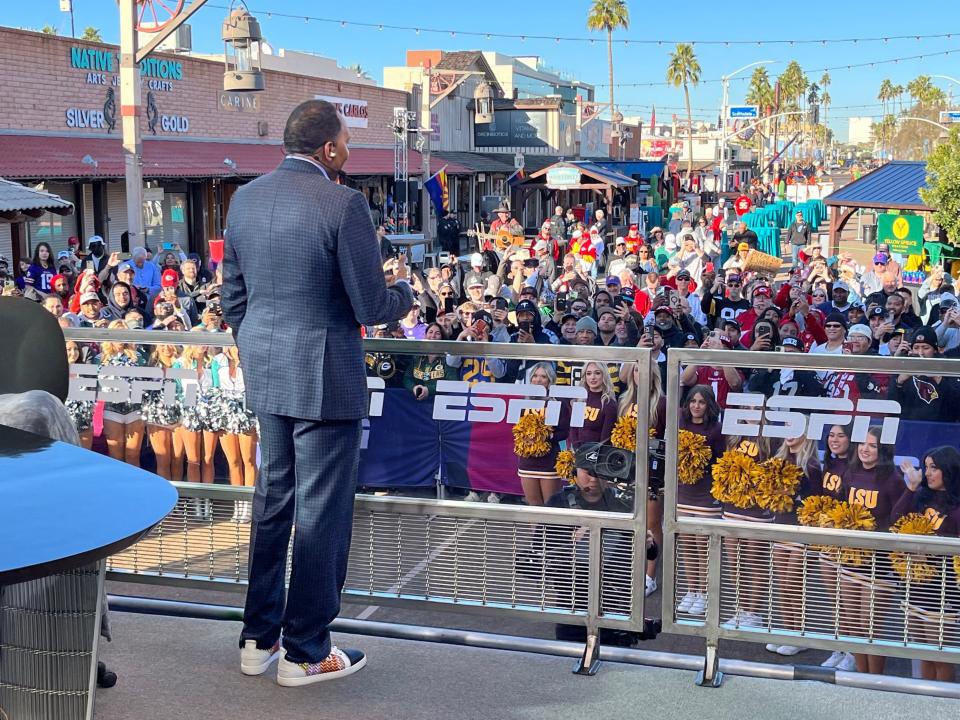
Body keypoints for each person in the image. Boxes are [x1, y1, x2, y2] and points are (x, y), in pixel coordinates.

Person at [222, 99, 414, 685]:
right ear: (329, 149)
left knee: (272, 502)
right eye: (347, 143)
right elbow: (370, 305)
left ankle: (258, 639)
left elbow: (234, 298)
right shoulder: (343, 203)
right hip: (325, 376)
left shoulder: (244, 197)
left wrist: (260, 346)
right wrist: (406, 293)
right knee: (320, 514)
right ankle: (306, 651)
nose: (350, 153)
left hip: (267, 372)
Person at [893, 446, 960, 683]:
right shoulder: (921, 496)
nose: (928, 473)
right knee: (921, 653)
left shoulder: (957, 507)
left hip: (942, 592)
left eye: (934, 467)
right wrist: (910, 488)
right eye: (926, 466)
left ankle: (941, 706)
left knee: (939, 656)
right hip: (914, 587)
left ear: (949, 470)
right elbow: (896, 520)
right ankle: (923, 699)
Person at [676, 385, 725, 617]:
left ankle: (706, 593)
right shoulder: (680, 424)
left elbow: (719, 463)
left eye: (702, 402)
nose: (696, 405)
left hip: (705, 494)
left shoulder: (716, 430)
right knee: (687, 543)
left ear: (709, 405)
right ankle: (692, 590)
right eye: (693, 401)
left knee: (702, 545)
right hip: (684, 492)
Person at [214, 345, 259, 522]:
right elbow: (214, 388)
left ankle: (248, 504)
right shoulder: (218, 362)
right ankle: (237, 504)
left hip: (246, 414)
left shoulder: (249, 361)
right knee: (233, 461)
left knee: (248, 460)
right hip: (226, 414)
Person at [516, 362, 570, 507]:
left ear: (550, 380)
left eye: (543, 377)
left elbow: (565, 432)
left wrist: (545, 436)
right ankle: (535, 531)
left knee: (551, 505)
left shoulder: (559, 403)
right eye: (535, 376)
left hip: (549, 461)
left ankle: (551, 531)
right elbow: (517, 429)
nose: (538, 380)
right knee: (533, 505)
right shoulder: (524, 402)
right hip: (527, 461)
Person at [97, 320, 146, 466]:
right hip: (111, 411)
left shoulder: (138, 357)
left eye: (123, 334)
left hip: (135, 410)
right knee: (115, 457)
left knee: (133, 455)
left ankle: (134, 488)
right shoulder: (100, 359)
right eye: (116, 334)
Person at [140, 342, 184, 483]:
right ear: (156, 348)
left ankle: (179, 499)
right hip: (156, 416)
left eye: (170, 344)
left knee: (178, 459)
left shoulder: (182, 364)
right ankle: (167, 499)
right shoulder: (150, 366)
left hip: (180, 416)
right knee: (163, 460)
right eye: (162, 345)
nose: (166, 348)